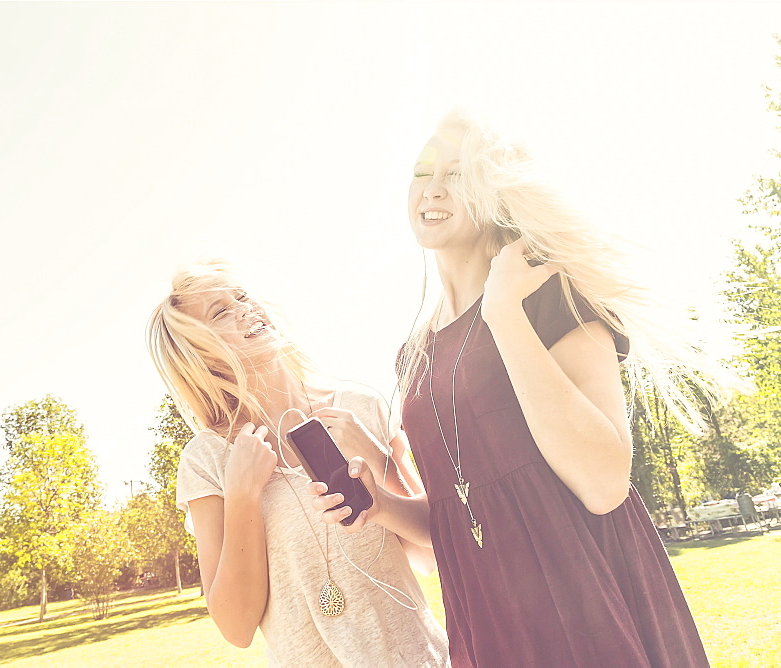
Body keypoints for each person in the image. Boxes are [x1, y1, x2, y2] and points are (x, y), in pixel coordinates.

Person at [310, 110, 730, 667]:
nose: (432, 189)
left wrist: (503, 313)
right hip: (490, 620)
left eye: (457, 175)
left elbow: (604, 483)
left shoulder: (551, 297)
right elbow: (463, 520)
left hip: (590, 606)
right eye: (422, 172)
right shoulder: (412, 355)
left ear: (496, 192)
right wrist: (383, 505)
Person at [146, 259, 449, 667]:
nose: (244, 308)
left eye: (242, 296)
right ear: (199, 354)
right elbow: (235, 628)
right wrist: (242, 494)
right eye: (221, 311)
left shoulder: (362, 408)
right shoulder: (208, 458)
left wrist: (376, 458)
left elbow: (433, 549)